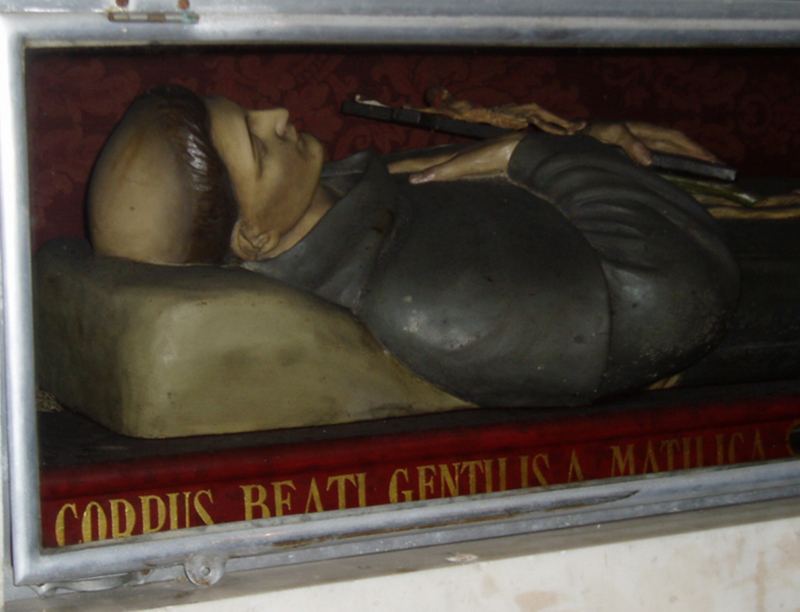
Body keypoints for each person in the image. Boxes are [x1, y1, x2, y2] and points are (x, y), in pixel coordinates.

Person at [87, 85, 740, 407]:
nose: (277, 117)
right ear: (254, 237)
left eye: (250, 114)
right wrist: (541, 156)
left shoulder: (353, 193)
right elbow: (668, 303)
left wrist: (584, 147)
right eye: (259, 148)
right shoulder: (419, 300)